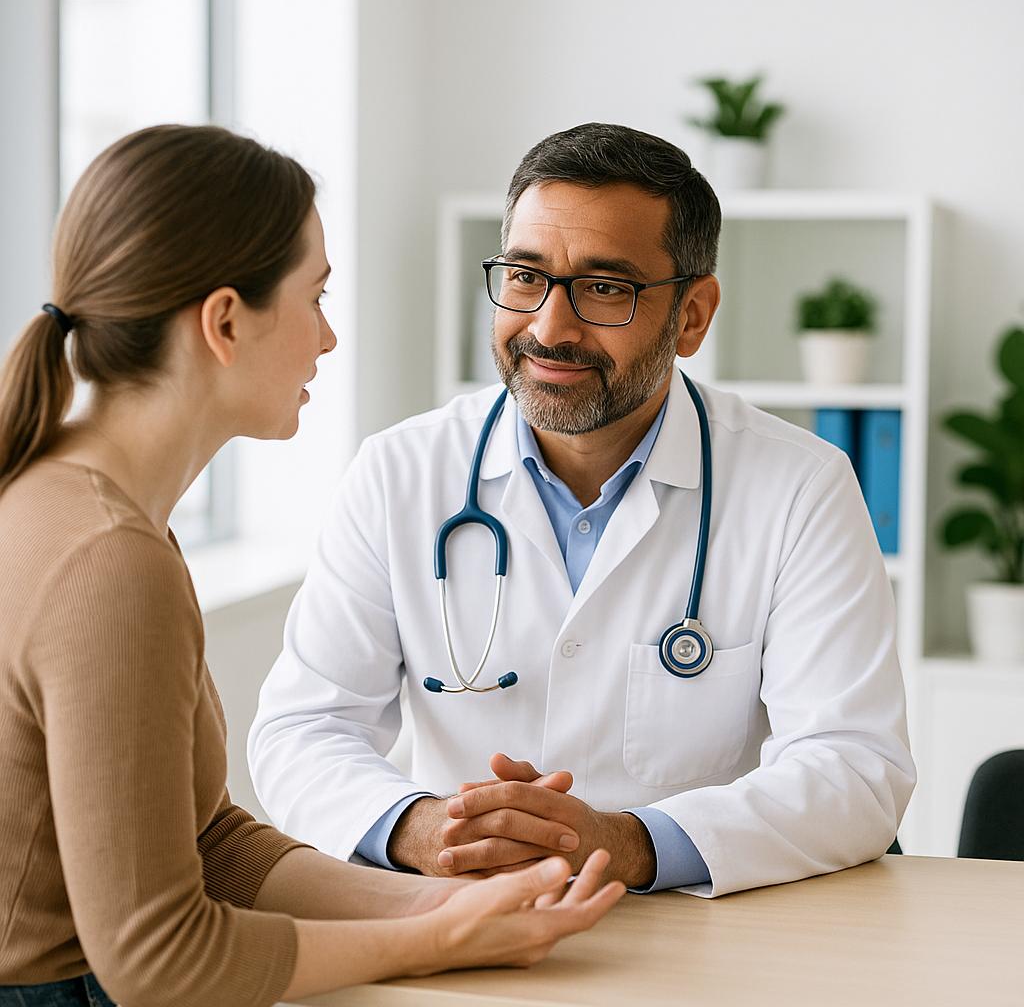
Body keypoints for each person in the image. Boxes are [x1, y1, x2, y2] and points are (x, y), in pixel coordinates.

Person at [0, 125, 624, 1007]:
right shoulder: (109, 563)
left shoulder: (80, 502)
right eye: (316, 297)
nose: (328, 339)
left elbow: (208, 842)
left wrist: (439, 902)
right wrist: (432, 942)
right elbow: (158, 960)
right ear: (225, 322)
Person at [249, 122, 916, 898]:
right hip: (459, 914)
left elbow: (856, 768)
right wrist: (428, 831)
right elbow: (305, 729)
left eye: (605, 289)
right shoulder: (399, 472)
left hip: (701, 928)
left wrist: (627, 845)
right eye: (524, 276)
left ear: (693, 315)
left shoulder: (801, 487)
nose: (549, 328)